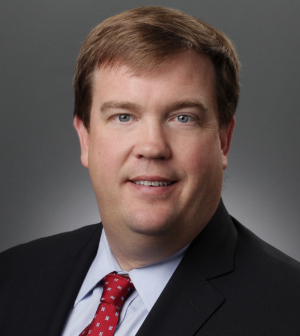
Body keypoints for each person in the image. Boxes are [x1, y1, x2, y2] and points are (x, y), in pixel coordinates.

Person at [0, 6, 299, 336]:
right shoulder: (12, 276)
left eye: (183, 117)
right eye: (124, 117)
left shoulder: (288, 308)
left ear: (223, 140)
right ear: (85, 139)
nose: (153, 147)